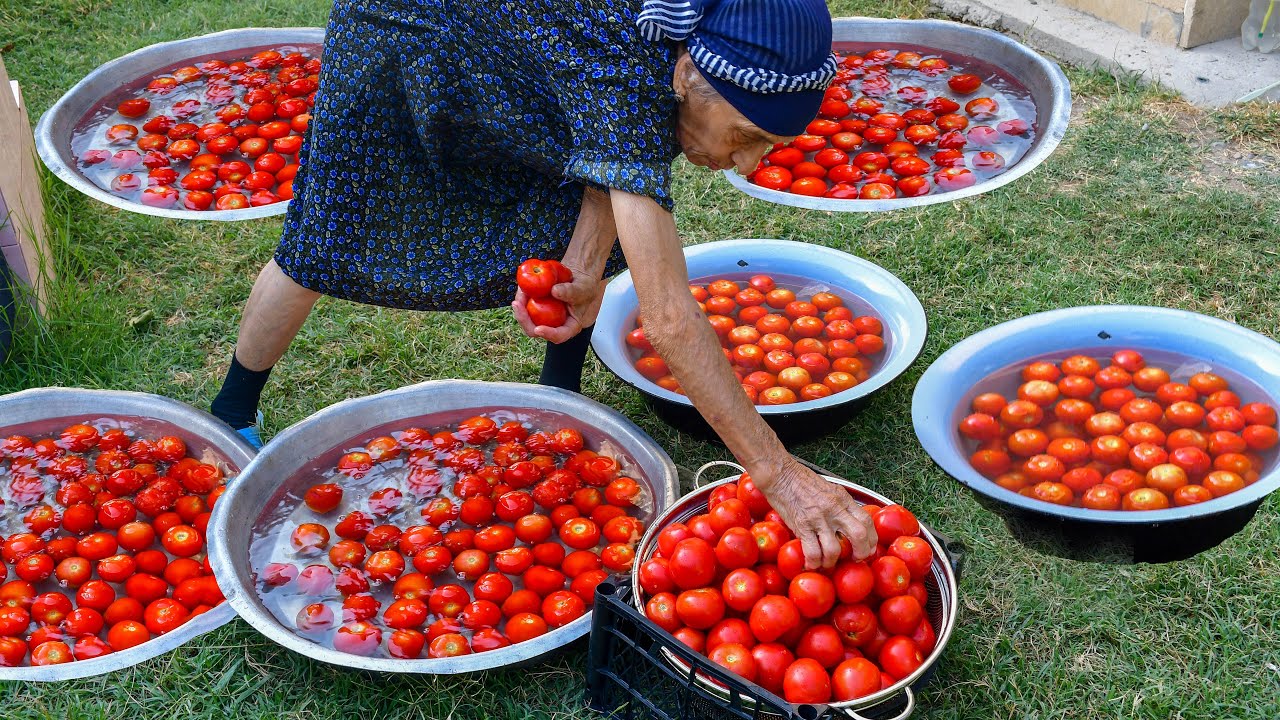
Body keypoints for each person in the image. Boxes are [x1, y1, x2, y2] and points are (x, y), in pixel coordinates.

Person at [210, 0, 876, 567]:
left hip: (524, 33)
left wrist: (584, 268)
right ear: (686, 73)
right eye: (749, 134)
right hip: (399, 24)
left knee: (589, 206)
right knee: (329, 231)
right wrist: (778, 473)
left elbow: (612, 159)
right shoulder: (627, 57)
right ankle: (233, 413)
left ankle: (561, 406)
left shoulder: (668, 41)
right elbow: (668, 316)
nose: (751, 162)